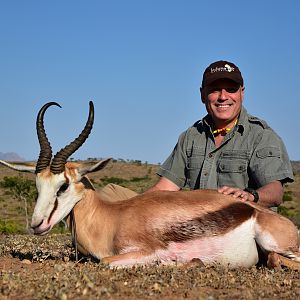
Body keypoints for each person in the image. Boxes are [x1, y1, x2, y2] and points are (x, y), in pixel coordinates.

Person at [145, 60, 294, 208]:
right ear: (202, 95)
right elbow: (163, 189)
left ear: (242, 93)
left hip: (248, 227)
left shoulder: (261, 136)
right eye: (215, 89)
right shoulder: (190, 136)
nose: (223, 96)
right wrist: (130, 206)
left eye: (231, 89)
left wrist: (250, 196)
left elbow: (275, 192)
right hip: (202, 227)